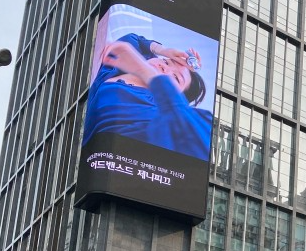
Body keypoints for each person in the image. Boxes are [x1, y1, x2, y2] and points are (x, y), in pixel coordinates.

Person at [82, 33, 211, 160]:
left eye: (176, 77)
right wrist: (164, 51)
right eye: (166, 62)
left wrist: (150, 75)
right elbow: (132, 39)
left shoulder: (150, 109)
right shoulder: (120, 65)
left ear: (175, 96)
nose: (164, 67)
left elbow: (193, 136)